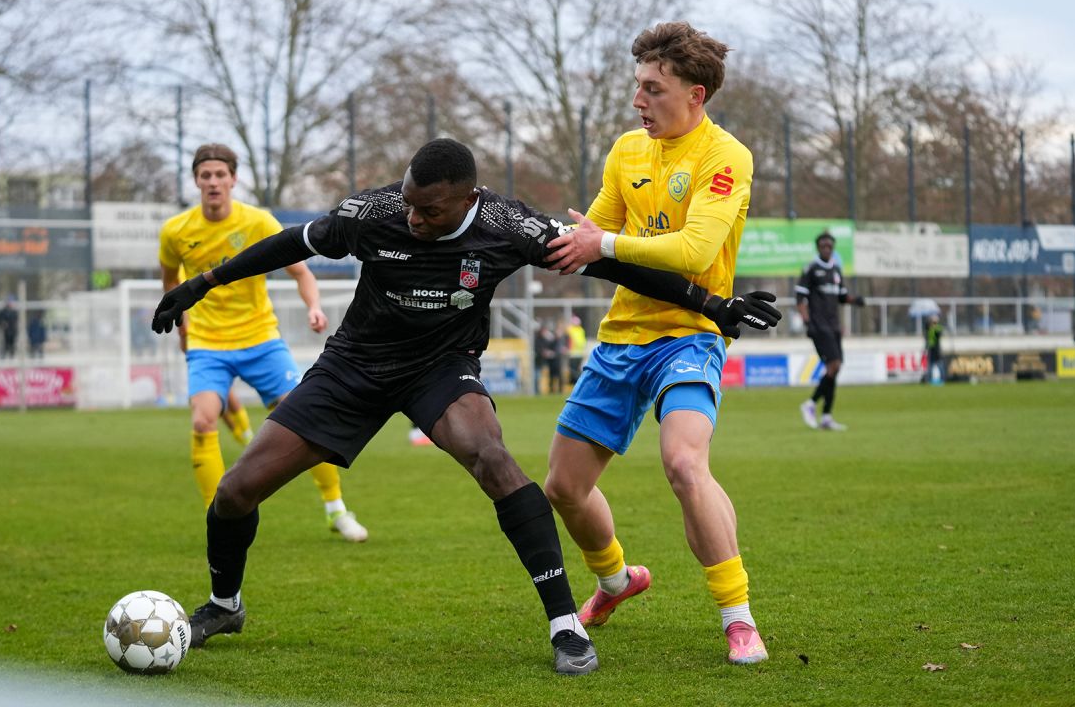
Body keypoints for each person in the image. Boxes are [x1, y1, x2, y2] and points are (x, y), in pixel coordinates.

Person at [150, 138, 780, 674]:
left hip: (440, 370)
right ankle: (224, 605)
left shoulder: (508, 226)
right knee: (235, 492)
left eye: (428, 209)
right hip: (353, 368)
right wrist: (202, 284)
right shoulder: (374, 212)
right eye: (408, 203)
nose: (413, 216)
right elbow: (292, 244)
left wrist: (715, 306)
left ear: (465, 199)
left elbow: (613, 266)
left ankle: (565, 623)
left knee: (496, 461)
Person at [538, 22, 784, 666]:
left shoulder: (724, 155)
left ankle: (738, 616)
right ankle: (618, 580)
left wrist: (602, 244)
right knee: (562, 487)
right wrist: (550, 241)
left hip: (690, 338)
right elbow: (593, 240)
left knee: (683, 463)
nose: (638, 100)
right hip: (622, 338)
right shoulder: (626, 150)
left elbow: (695, 250)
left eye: (653, 88)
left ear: (695, 94)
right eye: (637, 87)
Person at [159, 143, 367, 543]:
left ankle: (336, 509)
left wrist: (314, 307)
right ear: (196, 181)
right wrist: (183, 327)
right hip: (207, 341)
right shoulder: (175, 231)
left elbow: (301, 272)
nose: (214, 182)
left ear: (233, 179)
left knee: (301, 418)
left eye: (221, 175)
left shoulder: (257, 222)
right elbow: (172, 281)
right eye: (206, 176)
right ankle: (216, 520)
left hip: (260, 339)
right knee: (203, 419)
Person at [796, 231, 866, 431]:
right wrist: (807, 322)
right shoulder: (811, 268)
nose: (827, 248)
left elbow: (842, 297)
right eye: (823, 245)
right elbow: (800, 298)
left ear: (833, 248)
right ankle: (810, 404)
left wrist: (856, 300)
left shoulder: (836, 270)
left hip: (835, 326)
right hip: (819, 326)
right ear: (818, 247)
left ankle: (826, 416)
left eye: (830, 245)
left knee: (835, 368)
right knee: (834, 364)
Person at [534, 322, 560, 395]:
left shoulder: (545, 339)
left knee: (540, 377)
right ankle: (536, 392)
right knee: (536, 377)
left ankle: (539, 391)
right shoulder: (537, 339)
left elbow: (550, 346)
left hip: (542, 361)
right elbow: (538, 349)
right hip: (537, 361)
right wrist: (543, 352)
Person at [565, 314, 587, 386]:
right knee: (574, 370)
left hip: (577, 354)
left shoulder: (579, 330)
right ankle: (575, 384)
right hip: (573, 353)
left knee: (575, 370)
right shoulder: (572, 330)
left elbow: (582, 342)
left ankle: (576, 384)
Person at [923, 313, 944, 384]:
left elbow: (938, 333)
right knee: (930, 367)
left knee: (940, 365)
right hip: (931, 350)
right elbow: (926, 328)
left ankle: (942, 380)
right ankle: (929, 380)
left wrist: (934, 325)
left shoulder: (938, 328)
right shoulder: (929, 329)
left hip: (937, 350)